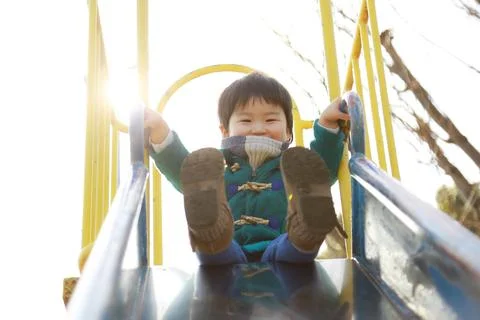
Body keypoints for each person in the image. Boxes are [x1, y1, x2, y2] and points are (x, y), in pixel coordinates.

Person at [144, 71, 350, 265]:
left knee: (292, 244)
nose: (259, 128)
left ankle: (307, 229)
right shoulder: (216, 170)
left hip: (280, 250)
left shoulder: (293, 169)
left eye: (270, 119)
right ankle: (210, 231)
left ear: (288, 130)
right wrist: (161, 133)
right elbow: (185, 173)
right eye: (245, 120)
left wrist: (328, 125)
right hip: (229, 251)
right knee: (217, 247)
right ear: (225, 131)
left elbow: (323, 168)